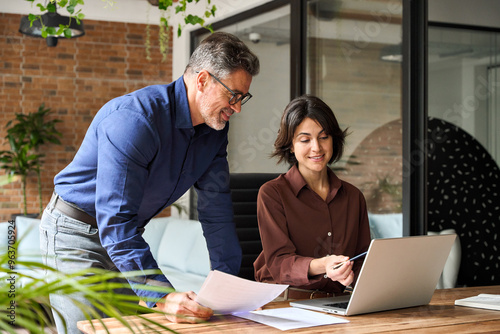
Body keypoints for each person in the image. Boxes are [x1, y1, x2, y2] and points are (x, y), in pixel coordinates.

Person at [40, 31, 259, 333]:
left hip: (124, 239)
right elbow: (116, 219)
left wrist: (227, 286)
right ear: (203, 80)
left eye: (242, 98)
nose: (236, 108)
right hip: (75, 236)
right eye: (233, 96)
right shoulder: (135, 120)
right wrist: (163, 295)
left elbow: (216, 210)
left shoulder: (215, 133)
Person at [253, 95, 371, 300]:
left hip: (336, 301)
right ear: (291, 145)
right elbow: (280, 264)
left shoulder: (353, 197)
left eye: (324, 137)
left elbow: (363, 262)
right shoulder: (272, 194)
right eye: (305, 139)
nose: (316, 147)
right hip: (284, 301)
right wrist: (324, 264)